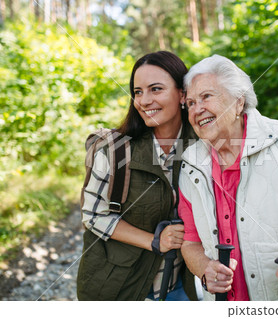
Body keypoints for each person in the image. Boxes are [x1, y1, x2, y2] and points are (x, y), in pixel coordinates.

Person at [178, 55, 278, 301]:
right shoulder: (191, 163)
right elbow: (190, 242)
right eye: (190, 103)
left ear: (238, 101)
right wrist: (204, 269)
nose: (196, 109)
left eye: (206, 97)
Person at [77, 51, 198, 301]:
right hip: (124, 290)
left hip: (184, 290)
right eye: (138, 92)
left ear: (182, 94)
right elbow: (93, 214)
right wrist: (154, 241)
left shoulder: (203, 148)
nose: (143, 100)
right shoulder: (113, 150)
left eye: (155, 89)